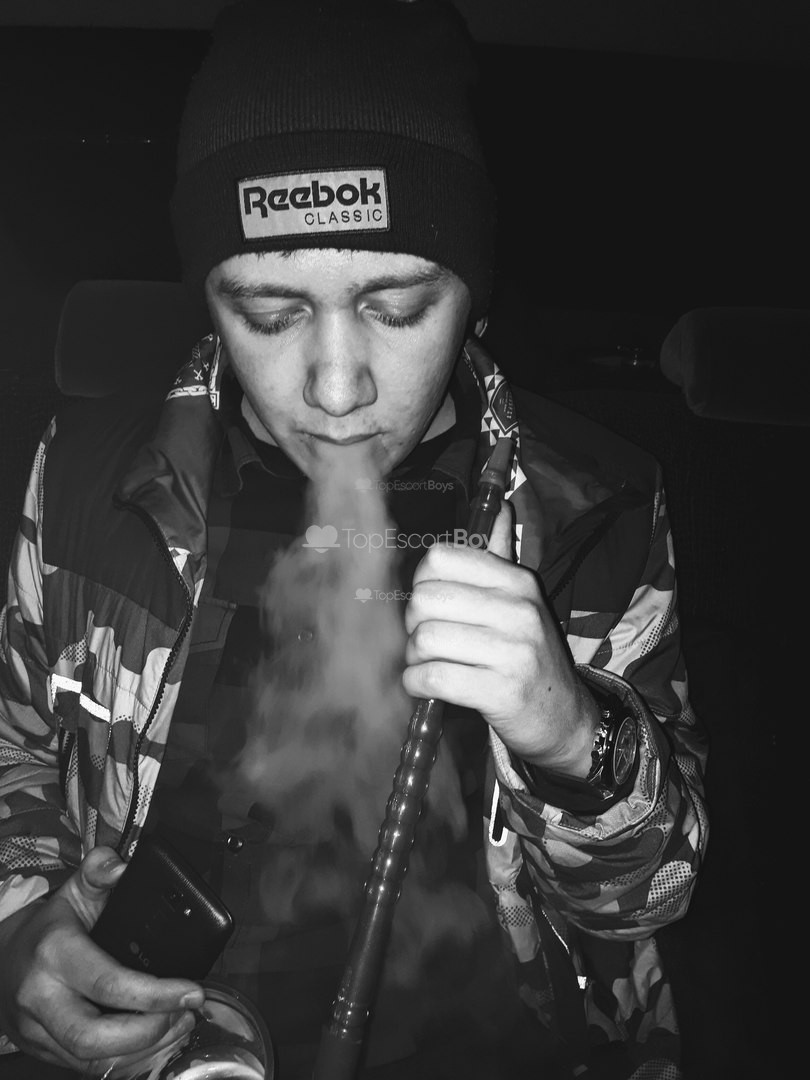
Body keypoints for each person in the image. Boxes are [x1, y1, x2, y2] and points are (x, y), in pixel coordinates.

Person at [0, 2, 708, 1078]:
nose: (337, 389)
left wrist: (574, 736)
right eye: (269, 314)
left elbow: (650, 901)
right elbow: (12, 751)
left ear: (474, 297)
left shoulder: (595, 507)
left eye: (398, 306)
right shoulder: (85, 478)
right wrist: (16, 925)